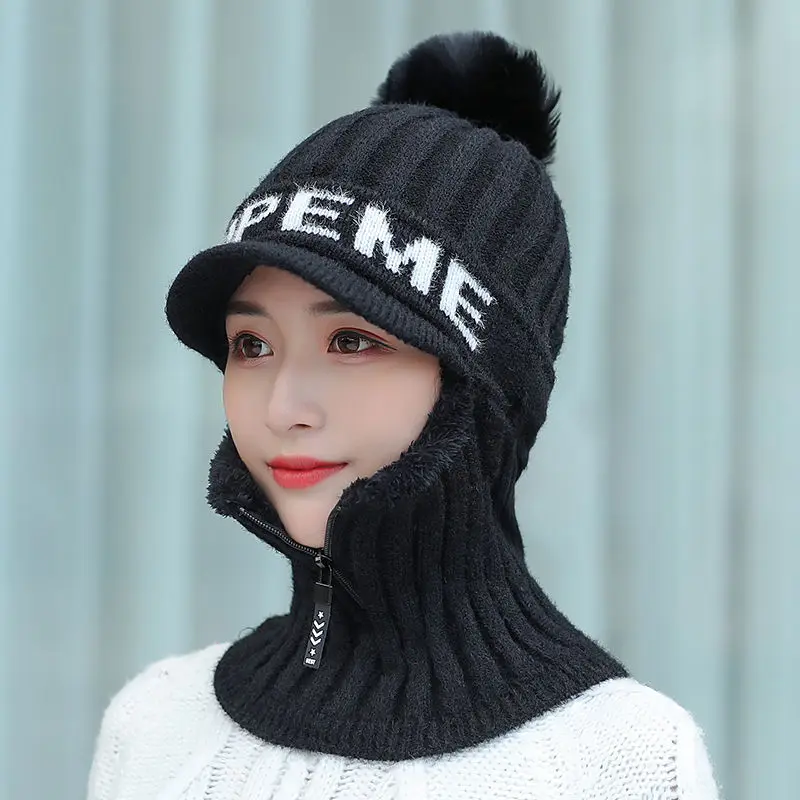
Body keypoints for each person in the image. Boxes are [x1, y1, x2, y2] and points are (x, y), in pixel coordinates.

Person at [87, 31, 721, 799]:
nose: (282, 406)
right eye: (252, 345)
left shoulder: (622, 763)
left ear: (480, 388)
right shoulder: (155, 728)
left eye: (351, 341)